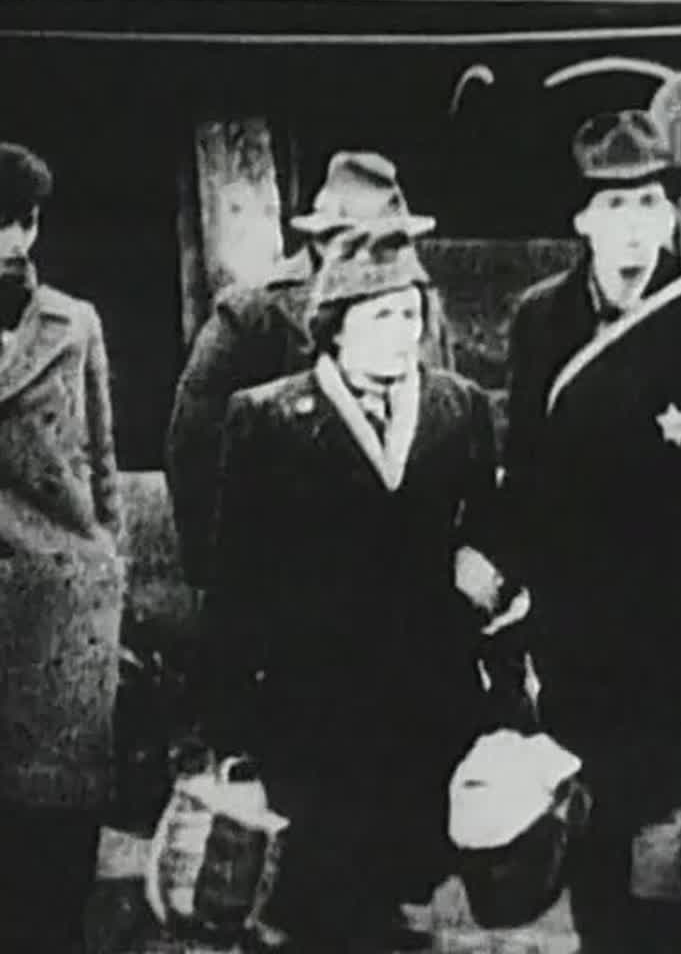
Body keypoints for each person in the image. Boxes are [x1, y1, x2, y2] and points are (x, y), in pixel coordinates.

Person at [500, 109, 681, 954]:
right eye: (614, 205)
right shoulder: (539, 320)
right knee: (593, 838)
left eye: (649, 204)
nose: (633, 225)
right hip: (578, 634)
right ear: (582, 218)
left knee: (667, 853)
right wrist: (505, 578)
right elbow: (524, 467)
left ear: (671, 216)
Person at [200, 221, 503, 953]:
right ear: (335, 327)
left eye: (411, 314)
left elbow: (495, 525)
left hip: (425, 705)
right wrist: (229, 730)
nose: (403, 334)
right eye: (381, 316)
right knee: (319, 908)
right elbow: (235, 581)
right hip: (313, 712)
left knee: (407, 899)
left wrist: (484, 568)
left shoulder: (458, 408)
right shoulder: (268, 419)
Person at [166, 150, 451, 589]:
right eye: (360, 243)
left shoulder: (418, 311)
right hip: (291, 574)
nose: (376, 260)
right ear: (321, 241)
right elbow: (194, 450)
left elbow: (444, 429)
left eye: (392, 243)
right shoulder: (253, 316)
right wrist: (225, 577)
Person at [0, 142, 125, 954]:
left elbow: (102, 462)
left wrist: (109, 570)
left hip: (61, 606)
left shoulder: (73, 324)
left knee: (56, 832)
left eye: (19, 221)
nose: (9, 240)